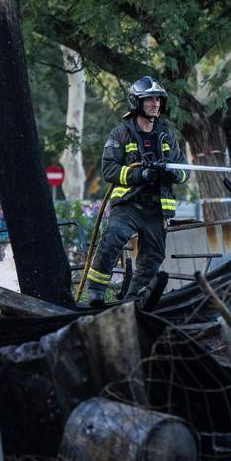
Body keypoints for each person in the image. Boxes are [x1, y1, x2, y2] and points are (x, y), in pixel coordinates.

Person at [84, 76, 188, 305]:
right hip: (129, 204)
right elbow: (109, 170)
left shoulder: (166, 134)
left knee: (153, 258)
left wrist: (171, 172)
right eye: (149, 99)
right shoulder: (121, 133)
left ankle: (133, 301)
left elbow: (184, 170)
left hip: (157, 208)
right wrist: (140, 175)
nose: (155, 104)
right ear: (136, 102)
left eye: (158, 99)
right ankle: (96, 292)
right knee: (112, 238)